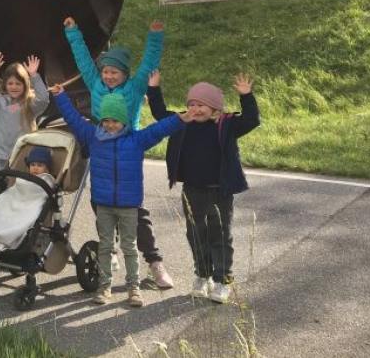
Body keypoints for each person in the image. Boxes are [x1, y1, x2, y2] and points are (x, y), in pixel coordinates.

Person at [63, 16, 173, 290]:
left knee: (135, 212)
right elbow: (84, 62)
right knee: (100, 201)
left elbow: (148, 64)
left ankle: (155, 262)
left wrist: (155, 36)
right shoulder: (95, 82)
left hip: (127, 147)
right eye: (106, 71)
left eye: (115, 72)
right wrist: (73, 33)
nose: (109, 76)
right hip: (100, 145)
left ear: (125, 74)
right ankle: (109, 252)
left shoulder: (135, 89)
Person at [52, 86, 187, 308]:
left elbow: (158, 129)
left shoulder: (137, 140)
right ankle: (104, 287)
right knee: (105, 247)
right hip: (103, 204)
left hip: (128, 205)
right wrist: (60, 96)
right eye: (106, 120)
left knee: (130, 247)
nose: (110, 125)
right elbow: (74, 119)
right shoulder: (93, 136)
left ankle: (133, 288)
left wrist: (180, 120)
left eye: (115, 121)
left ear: (124, 120)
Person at [146, 72, 259, 305]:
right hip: (192, 190)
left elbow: (251, 120)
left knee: (220, 236)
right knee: (196, 234)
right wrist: (154, 88)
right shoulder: (181, 122)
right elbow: (159, 113)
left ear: (215, 109)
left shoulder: (226, 125)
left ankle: (222, 280)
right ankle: (202, 275)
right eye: (192, 104)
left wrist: (246, 96)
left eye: (202, 105)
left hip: (220, 190)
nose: (196, 109)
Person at [0, 52, 50, 174]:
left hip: (25, 155)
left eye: (18, 83)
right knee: (7, 188)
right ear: (5, 85)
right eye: (10, 83)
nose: (14, 87)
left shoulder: (29, 104)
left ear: (25, 85)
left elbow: (44, 99)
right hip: (4, 156)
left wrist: (34, 75)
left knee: (24, 187)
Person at [0, 145, 57, 253]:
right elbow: (17, 188)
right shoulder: (24, 178)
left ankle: (3, 237)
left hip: (31, 204)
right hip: (17, 199)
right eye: (32, 165)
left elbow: (40, 192)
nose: (35, 168)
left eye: (40, 165)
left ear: (47, 168)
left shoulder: (47, 179)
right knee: (1, 204)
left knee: (19, 220)